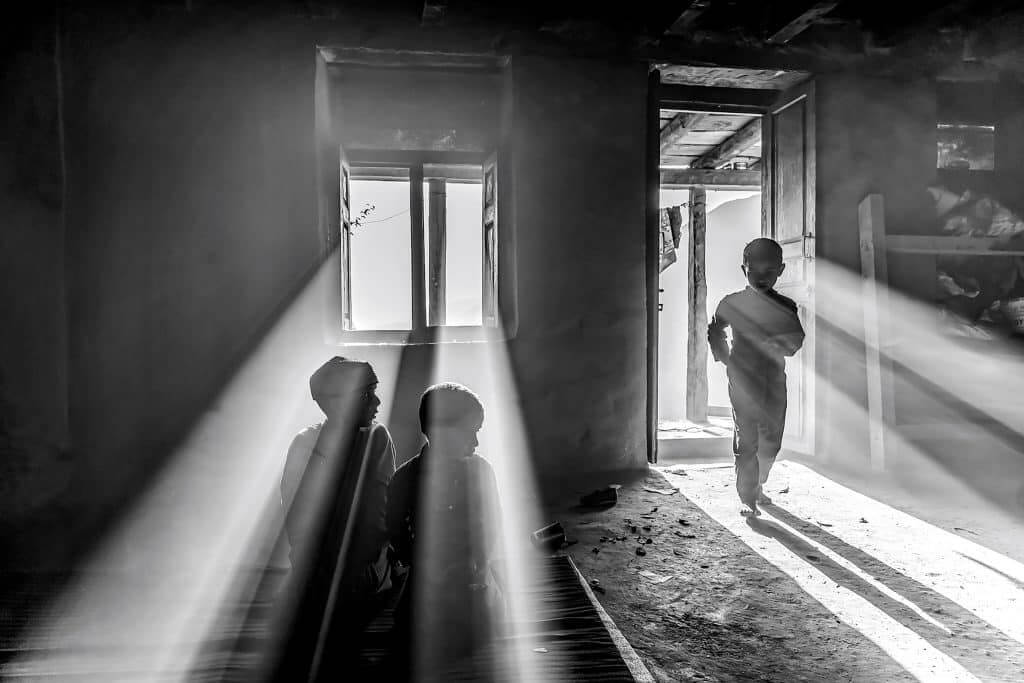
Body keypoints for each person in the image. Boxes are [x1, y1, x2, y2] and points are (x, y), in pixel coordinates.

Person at [275, 356, 397, 678]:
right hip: (353, 573)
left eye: (374, 391)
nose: (377, 401)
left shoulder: (307, 443)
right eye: (367, 394)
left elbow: (297, 520)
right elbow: (377, 517)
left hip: (324, 571)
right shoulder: (374, 439)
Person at [385, 382, 505, 680]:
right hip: (429, 588)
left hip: (474, 585)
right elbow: (397, 538)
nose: (477, 442)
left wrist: (474, 566)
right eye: (470, 431)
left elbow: (492, 531)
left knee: (479, 627)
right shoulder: (404, 481)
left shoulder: (481, 472)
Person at [708, 238, 805, 516]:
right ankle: (748, 496)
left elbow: (796, 339)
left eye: (769, 271)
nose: (761, 278)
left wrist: (779, 346)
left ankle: (758, 483)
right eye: (754, 271)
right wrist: (725, 357)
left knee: (772, 439)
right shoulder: (732, 303)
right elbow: (716, 329)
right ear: (743, 270)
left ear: (781, 270)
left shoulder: (786, 307)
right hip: (741, 380)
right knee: (747, 437)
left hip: (773, 380)